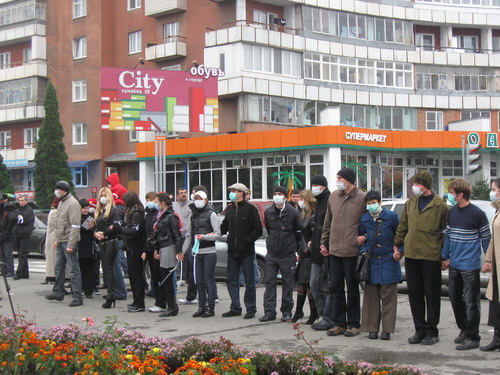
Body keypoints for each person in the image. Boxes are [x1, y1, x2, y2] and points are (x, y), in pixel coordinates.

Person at [394, 170, 448, 345]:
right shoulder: (411, 202)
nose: (414, 187)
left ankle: (432, 330)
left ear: (425, 185)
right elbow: (403, 226)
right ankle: (419, 329)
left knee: (431, 295)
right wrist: (398, 245)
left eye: (417, 183)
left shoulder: (440, 205)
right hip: (411, 254)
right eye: (414, 183)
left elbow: (446, 231)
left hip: (430, 255)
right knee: (414, 294)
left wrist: (445, 256)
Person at [440, 178, 490, 350]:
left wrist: (488, 261)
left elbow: (486, 237)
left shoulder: (477, 214)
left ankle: (473, 336)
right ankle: (464, 329)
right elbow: (448, 235)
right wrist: (444, 257)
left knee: (471, 301)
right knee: (455, 298)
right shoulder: (452, 212)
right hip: (454, 263)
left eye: (452, 192)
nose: (450, 195)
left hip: (470, 265)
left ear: (460, 195)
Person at [320, 167, 366, 337]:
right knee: (336, 288)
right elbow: (327, 221)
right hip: (335, 250)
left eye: (340, 177)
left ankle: (354, 324)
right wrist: (324, 242)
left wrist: (364, 237)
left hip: (352, 251)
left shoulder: (361, 198)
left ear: (349, 180)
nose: (337, 180)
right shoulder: (333, 196)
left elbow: (369, 221)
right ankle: (339, 323)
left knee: (352, 289)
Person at [359, 190, 402, 340]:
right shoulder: (364, 219)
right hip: (371, 262)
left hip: (388, 260)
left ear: (380, 202)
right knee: (371, 296)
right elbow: (361, 239)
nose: (371, 206)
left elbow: (400, 236)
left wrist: (398, 251)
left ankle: (387, 330)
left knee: (388, 296)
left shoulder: (392, 217)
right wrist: (364, 251)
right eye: (369, 203)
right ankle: (372, 328)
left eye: (374, 203)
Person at [220, 182, 263, 319]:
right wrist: (211, 231)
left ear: (241, 193)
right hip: (232, 251)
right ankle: (235, 307)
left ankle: (250, 308)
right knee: (231, 280)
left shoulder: (251, 209)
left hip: (247, 252)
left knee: (249, 281)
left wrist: (247, 241)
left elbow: (258, 230)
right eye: (231, 190)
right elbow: (223, 228)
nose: (231, 193)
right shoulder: (230, 209)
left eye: (234, 191)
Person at [260, 186, 301, 323]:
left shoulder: (293, 212)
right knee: (270, 282)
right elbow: (269, 230)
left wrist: (297, 251)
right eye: (275, 193)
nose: (277, 196)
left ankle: (286, 311)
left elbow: (297, 232)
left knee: (287, 283)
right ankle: (269, 311)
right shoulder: (269, 211)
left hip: (287, 254)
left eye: (280, 194)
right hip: (272, 254)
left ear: (285, 196)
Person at [45, 181, 83, 307]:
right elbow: (60, 223)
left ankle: (77, 296)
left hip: (68, 240)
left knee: (73, 269)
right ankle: (58, 292)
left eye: (57, 190)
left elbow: (75, 225)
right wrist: (57, 239)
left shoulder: (72, 203)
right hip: (61, 239)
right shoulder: (62, 202)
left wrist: (71, 244)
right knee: (58, 267)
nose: (56, 192)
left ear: (63, 190)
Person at [183, 190, 220, 318]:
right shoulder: (192, 215)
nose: (197, 200)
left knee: (208, 280)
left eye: (200, 198)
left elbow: (217, 234)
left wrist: (204, 237)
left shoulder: (212, 214)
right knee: (199, 281)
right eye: (196, 198)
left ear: (206, 200)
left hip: (209, 252)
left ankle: (211, 308)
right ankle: (201, 306)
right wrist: (182, 251)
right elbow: (189, 235)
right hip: (196, 253)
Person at [149, 193, 183, 317]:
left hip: (169, 247)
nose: (156, 204)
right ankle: (170, 305)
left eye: (157, 201)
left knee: (167, 277)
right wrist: (157, 248)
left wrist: (179, 252)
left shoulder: (170, 216)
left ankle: (172, 306)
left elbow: (177, 234)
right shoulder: (162, 216)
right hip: (163, 246)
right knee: (164, 276)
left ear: (163, 202)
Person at [114, 191, 146, 312]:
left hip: (136, 246)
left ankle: (139, 302)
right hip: (131, 246)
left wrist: (121, 229)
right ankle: (136, 300)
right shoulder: (131, 211)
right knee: (133, 275)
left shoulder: (136, 213)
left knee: (136, 275)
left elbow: (135, 231)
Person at [308, 175, 331, 329]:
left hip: (327, 252)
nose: (313, 188)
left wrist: (326, 244)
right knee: (314, 284)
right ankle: (323, 315)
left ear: (323, 186)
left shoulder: (330, 200)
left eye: (316, 185)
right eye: (312, 185)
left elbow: (329, 225)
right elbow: (317, 225)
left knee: (326, 287)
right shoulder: (318, 201)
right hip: (316, 251)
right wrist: (312, 239)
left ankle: (328, 318)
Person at [480, 178, 500, 351]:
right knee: (496, 302)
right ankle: (497, 338)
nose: (492, 192)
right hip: (496, 267)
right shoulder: (497, 210)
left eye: (494, 189)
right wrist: (488, 260)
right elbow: (494, 240)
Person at [291, 189, 317, 323]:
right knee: (302, 285)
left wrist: (308, 248)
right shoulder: (303, 214)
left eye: (302, 198)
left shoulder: (313, 215)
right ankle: (299, 312)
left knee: (307, 286)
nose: (300, 201)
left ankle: (313, 313)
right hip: (303, 252)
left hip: (310, 254)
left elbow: (313, 235)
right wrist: (300, 251)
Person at [94, 187, 122, 309]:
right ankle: (110, 294)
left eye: (105, 195)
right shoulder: (99, 211)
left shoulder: (113, 210)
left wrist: (104, 233)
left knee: (109, 269)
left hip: (111, 241)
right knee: (105, 269)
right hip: (102, 242)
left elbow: (116, 226)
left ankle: (111, 295)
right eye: (101, 195)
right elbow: (96, 225)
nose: (103, 197)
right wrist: (95, 233)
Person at [172, 187, 193, 297]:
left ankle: (189, 279)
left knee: (189, 257)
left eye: (185, 193)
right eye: (181, 193)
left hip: (187, 236)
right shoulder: (173, 206)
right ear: (177, 196)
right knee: (179, 257)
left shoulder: (191, 205)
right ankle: (181, 277)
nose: (184, 194)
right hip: (177, 236)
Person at [12, 194, 35, 280]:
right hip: (18, 234)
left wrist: (16, 217)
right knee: (21, 254)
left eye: (22, 201)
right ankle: (25, 272)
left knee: (22, 254)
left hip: (25, 234)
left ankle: (18, 273)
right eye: (19, 200)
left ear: (26, 201)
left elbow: (21, 220)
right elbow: (13, 217)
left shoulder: (29, 210)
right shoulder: (18, 210)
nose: (20, 202)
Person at [77, 199, 96, 299]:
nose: (86, 210)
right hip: (79, 246)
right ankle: (78, 289)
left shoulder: (91, 217)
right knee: (79, 269)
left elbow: (91, 230)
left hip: (88, 247)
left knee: (88, 270)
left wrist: (91, 228)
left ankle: (89, 290)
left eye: (87, 208)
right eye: (84, 208)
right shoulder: (76, 217)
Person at [144, 191, 160, 298]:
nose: (149, 202)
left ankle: (157, 290)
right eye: (148, 200)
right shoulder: (148, 214)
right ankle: (153, 288)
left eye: (151, 200)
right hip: (148, 245)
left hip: (155, 246)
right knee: (151, 269)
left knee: (156, 270)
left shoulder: (157, 214)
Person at [41, 197, 60, 285]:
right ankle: (52, 275)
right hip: (54, 236)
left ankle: (49, 275)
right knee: (54, 258)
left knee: (50, 257)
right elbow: (58, 225)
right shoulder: (56, 212)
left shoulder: (52, 211)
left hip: (50, 236)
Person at [0, 201, 16, 277]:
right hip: (4, 236)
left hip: (7, 237)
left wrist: (3, 236)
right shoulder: (4, 214)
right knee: (3, 254)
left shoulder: (10, 215)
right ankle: (4, 270)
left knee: (7, 254)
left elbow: (8, 228)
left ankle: (9, 270)